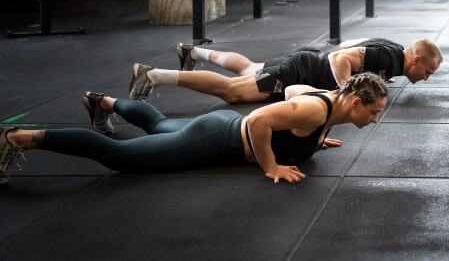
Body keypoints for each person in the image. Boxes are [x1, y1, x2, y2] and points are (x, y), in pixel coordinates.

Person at [0, 73, 388, 186]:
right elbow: (257, 121)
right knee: (118, 156)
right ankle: (18, 139)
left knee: (159, 124)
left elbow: (290, 92)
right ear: (356, 102)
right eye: (373, 112)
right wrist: (271, 166)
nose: (374, 120)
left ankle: (102, 101)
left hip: (217, 126)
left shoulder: (326, 105)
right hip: (216, 138)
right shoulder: (315, 110)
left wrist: (314, 139)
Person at [127, 37, 442, 104]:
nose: (425, 79)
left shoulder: (391, 54)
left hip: (304, 62)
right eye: (427, 72)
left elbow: (349, 44)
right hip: (298, 73)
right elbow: (340, 58)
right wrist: (346, 90)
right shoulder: (388, 58)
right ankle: (152, 75)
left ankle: (194, 52)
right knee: (232, 91)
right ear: (415, 60)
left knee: (249, 68)